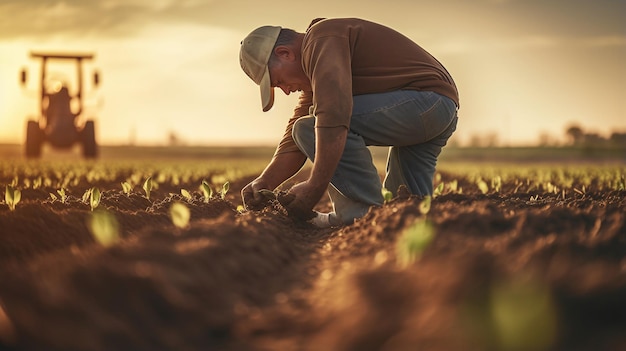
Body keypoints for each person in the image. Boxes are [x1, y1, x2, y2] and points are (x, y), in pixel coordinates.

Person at [239, 17, 459, 228]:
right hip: (436, 110)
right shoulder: (321, 55)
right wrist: (265, 181)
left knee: (313, 125)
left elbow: (331, 116)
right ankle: (404, 223)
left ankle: (360, 215)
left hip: (424, 103)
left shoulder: (322, 39)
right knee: (404, 206)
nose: (286, 90)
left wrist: (315, 187)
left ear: (285, 53)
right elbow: (293, 142)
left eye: (279, 81)